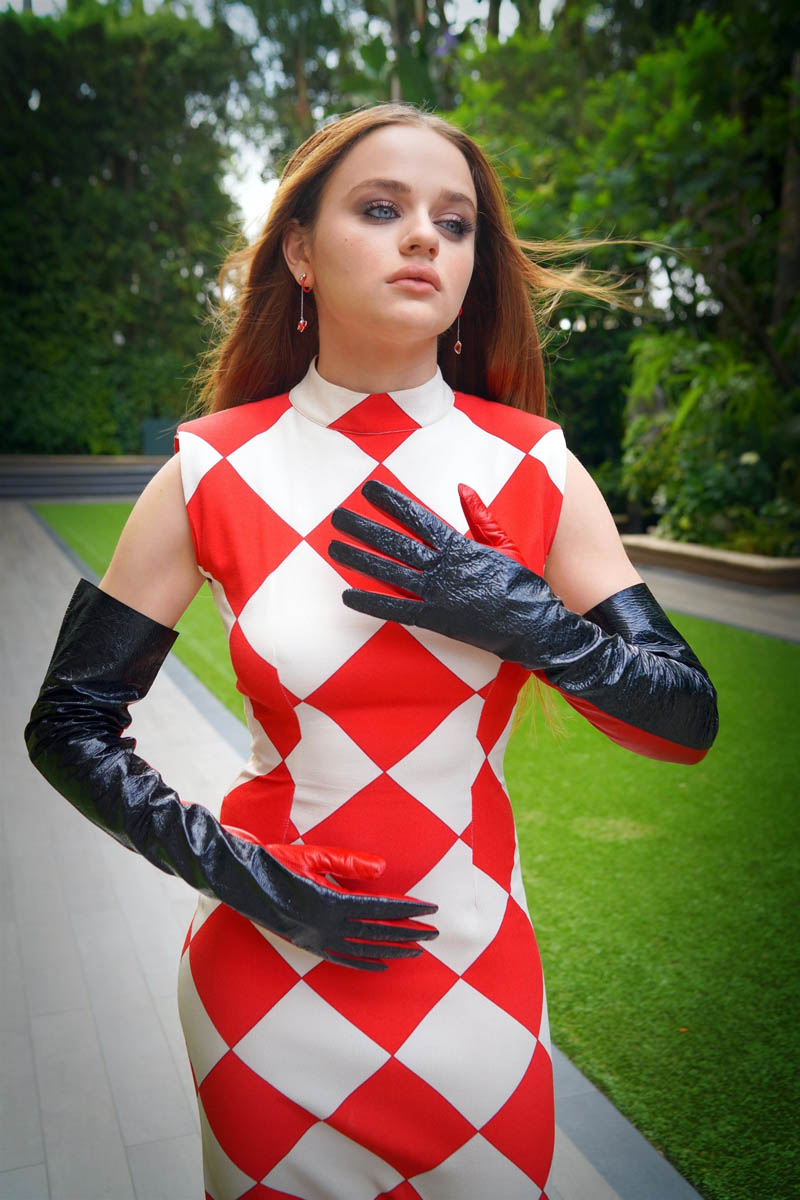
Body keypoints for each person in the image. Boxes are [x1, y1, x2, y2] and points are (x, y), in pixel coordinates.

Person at [26, 102, 718, 1200]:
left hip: (477, 972)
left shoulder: (538, 465)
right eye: (382, 209)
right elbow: (66, 725)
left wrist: (527, 620)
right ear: (300, 252)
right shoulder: (208, 470)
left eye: (455, 222)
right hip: (266, 980)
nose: (424, 237)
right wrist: (241, 873)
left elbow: (685, 719)